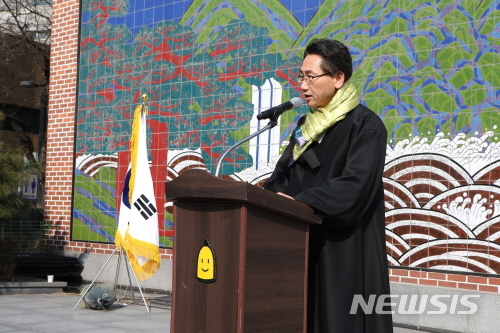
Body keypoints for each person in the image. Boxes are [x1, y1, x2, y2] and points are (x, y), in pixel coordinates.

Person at [263, 39, 393, 333]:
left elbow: (354, 186)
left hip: (343, 248)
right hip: (301, 243)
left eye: (311, 77)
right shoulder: (303, 127)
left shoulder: (366, 125)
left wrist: (299, 203)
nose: (303, 85)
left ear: (338, 78)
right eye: (301, 76)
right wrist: (271, 199)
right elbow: (280, 177)